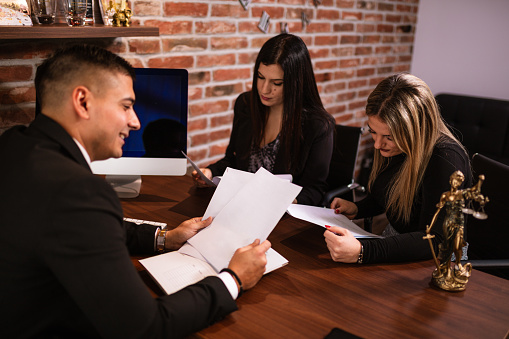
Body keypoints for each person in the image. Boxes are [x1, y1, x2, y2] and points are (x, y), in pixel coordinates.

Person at [0, 44, 270, 338]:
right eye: (126, 106)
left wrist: (164, 238)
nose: (136, 121)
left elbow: (82, 228)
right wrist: (233, 279)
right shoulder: (78, 192)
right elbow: (146, 327)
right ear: (83, 101)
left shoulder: (14, 144)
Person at [324, 73, 472, 264]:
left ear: (416, 129)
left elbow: (437, 241)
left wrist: (363, 251)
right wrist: (357, 208)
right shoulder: (395, 148)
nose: (377, 145)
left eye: (389, 137)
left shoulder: (445, 159)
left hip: (436, 262)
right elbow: (388, 195)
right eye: (373, 132)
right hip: (397, 244)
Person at [192, 33, 335, 206]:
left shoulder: (318, 125)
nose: (265, 89)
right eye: (260, 77)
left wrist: (284, 202)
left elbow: (315, 191)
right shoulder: (246, 104)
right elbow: (233, 160)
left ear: (296, 83)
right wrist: (210, 172)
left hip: (282, 216)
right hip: (240, 205)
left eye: (276, 83)